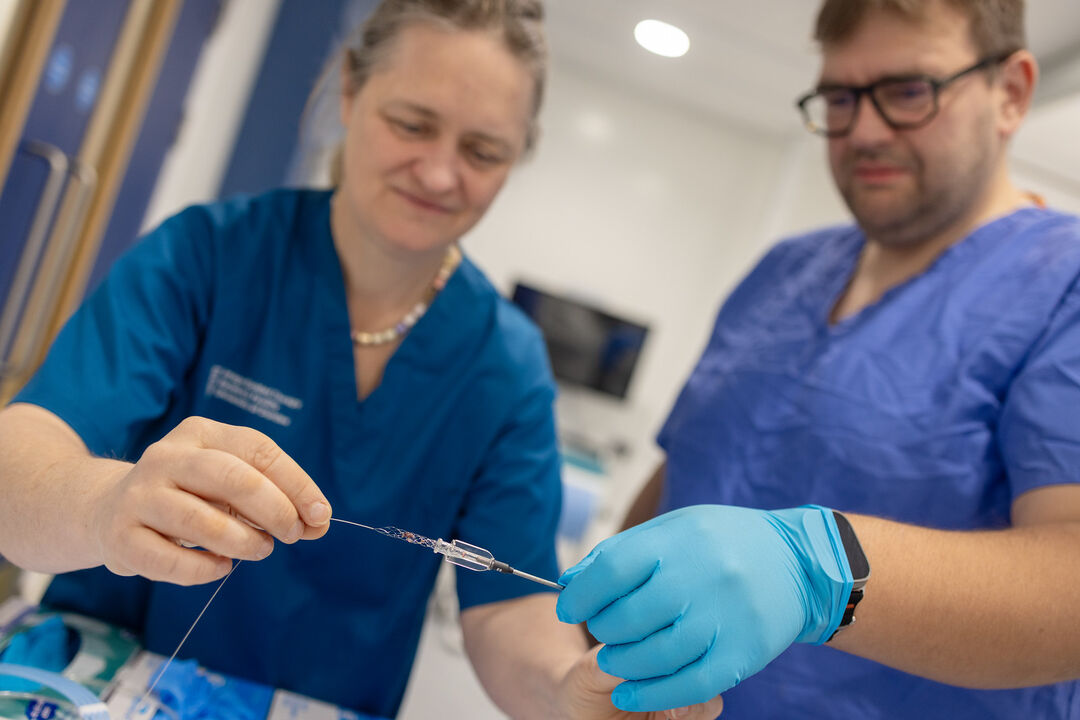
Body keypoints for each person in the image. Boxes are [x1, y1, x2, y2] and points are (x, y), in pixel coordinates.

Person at [0, 2, 728, 719]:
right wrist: (104, 507)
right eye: (412, 125)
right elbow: (20, 463)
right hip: (96, 680)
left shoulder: (503, 369)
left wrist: (570, 689)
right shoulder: (208, 259)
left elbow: (508, 609)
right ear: (348, 89)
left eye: (483, 152)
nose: (440, 175)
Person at [555, 1, 1080, 718]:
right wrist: (591, 629)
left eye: (907, 92)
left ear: (1011, 93)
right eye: (839, 97)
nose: (862, 129)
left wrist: (819, 568)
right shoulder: (781, 274)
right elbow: (687, 472)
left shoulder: (1063, 288)